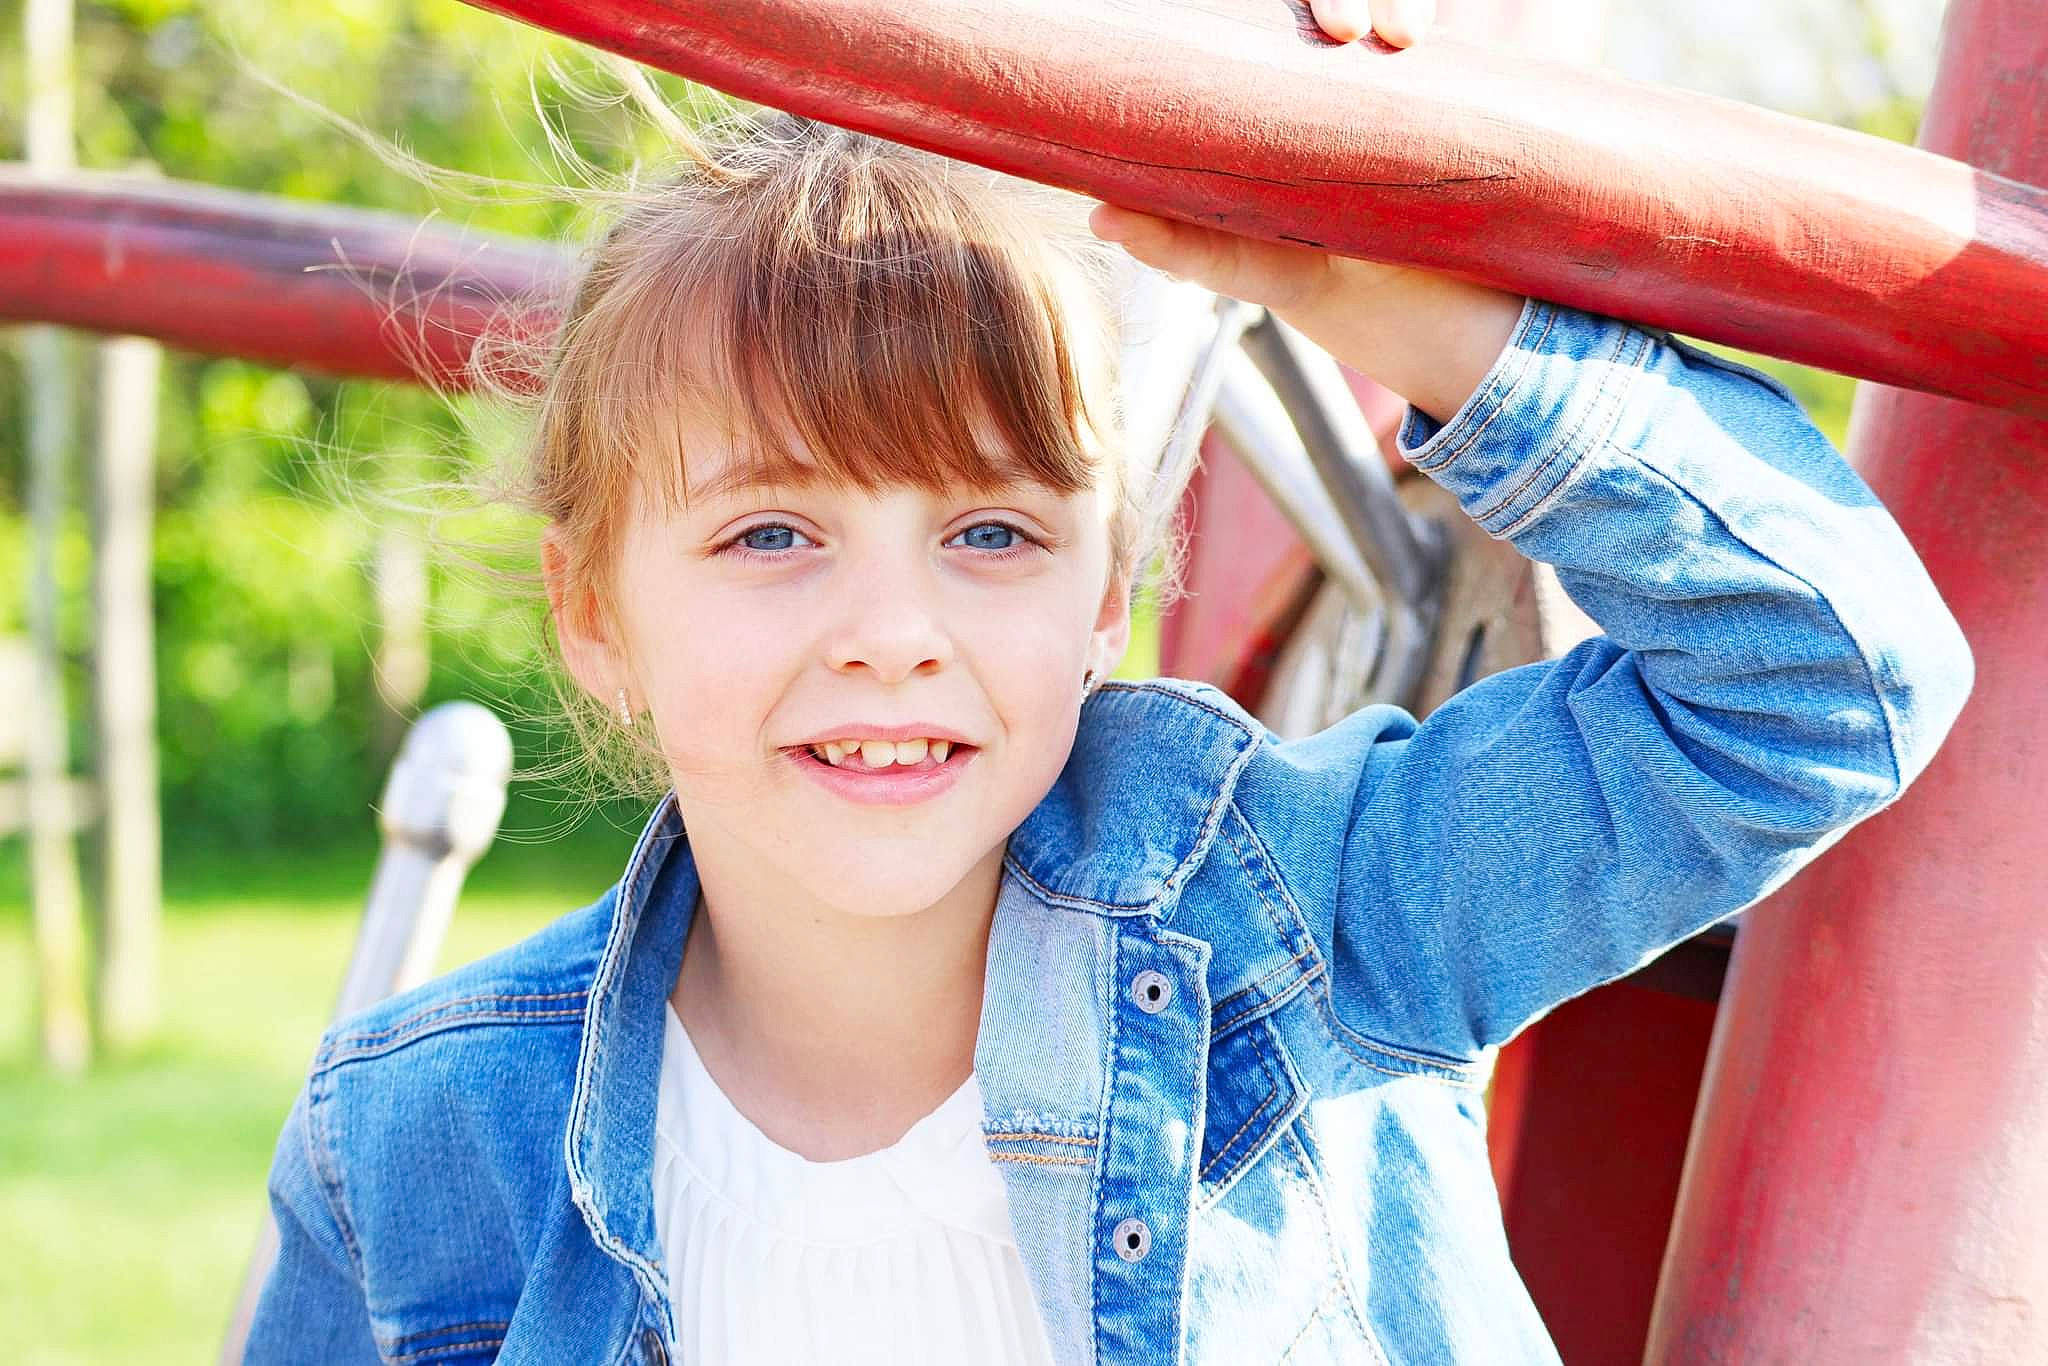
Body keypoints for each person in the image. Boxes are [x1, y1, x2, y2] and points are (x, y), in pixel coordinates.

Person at [242, 3, 1973, 1362]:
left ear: (1106, 591)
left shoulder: (1302, 921)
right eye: (773, 533)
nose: (891, 631)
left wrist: (1393, 298)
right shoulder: (418, 1147)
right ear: (594, 610)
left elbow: (1830, 679)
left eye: (990, 533)